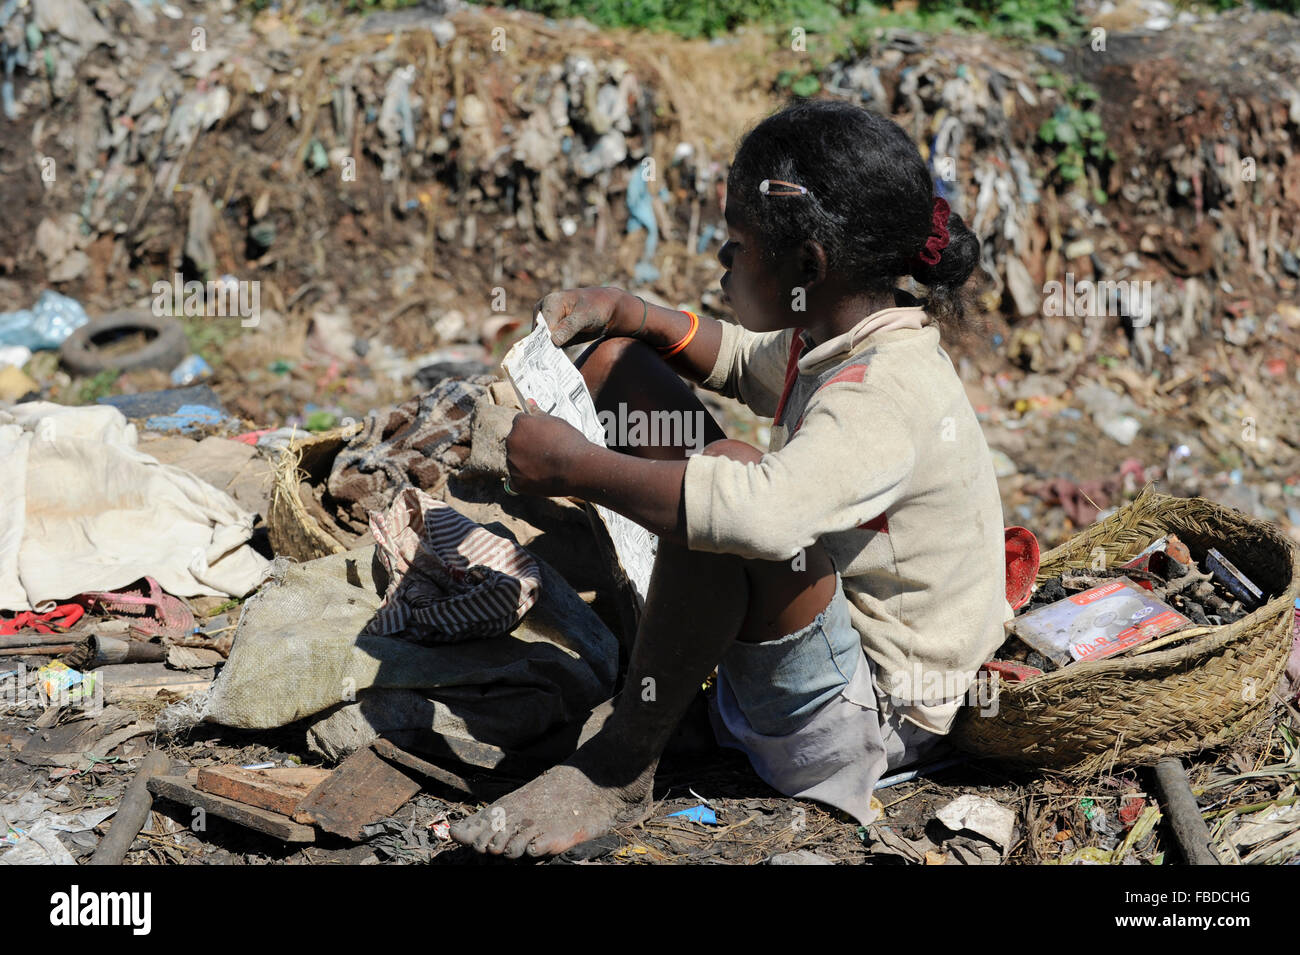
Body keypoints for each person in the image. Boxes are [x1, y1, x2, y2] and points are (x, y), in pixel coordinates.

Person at [451, 99, 1010, 859]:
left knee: (731, 484)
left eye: (737, 245)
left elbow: (763, 518)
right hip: (823, 646)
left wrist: (570, 464)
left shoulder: (885, 391)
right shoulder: (840, 333)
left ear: (808, 266)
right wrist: (633, 314)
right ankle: (671, 673)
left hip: (867, 719)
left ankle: (621, 763)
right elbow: (743, 360)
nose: (723, 261)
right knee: (621, 364)